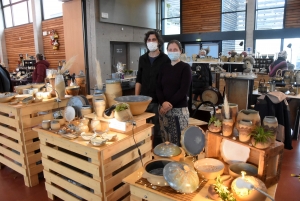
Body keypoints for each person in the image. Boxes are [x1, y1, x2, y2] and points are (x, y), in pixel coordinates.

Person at [135, 30, 170, 147]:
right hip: (143, 101)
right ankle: (145, 152)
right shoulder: (142, 58)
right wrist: (136, 99)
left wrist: (164, 101)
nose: (151, 42)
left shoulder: (165, 59)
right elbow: (138, 79)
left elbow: (167, 82)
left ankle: (156, 154)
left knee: (158, 131)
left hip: (157, 101)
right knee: (142, 130)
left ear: (159, 42)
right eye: (149, 40)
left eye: (153, 39)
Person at [156, 40, 192, 146]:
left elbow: (183, 90)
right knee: (166, 142)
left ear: (180, 51)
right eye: (170, 50)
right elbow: (158, 87)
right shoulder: (163, 67)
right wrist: (163, 102)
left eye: (175, 49)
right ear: (167, 51)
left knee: (179, 143)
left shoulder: (185, 68)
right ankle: (167, 163)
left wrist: (169, 104)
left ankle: (179, 163)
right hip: (163, 111)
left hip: (178, 111)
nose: (172, 52)